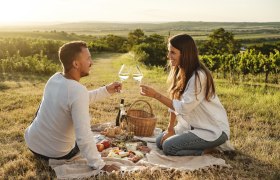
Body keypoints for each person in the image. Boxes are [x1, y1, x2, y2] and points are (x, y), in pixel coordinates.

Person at [24, 41, 121, 172]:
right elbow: (84, 135)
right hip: (55, 153)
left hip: (32, 143)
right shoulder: (77, 91)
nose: (91, 62)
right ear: (75, 64)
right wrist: (101, 165)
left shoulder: (54, 78)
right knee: (89, 139)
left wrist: (106, 90)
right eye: (88, 59)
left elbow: (77, 99)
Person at [140, 34, 230, 156]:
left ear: (185, 54)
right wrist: (170, 129)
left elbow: (183, 107)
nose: (168, 56)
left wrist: (156, 95)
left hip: (211, 130)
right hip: (190, 126)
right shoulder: (179, 71)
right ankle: (196, 145)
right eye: (168, 52)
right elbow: (174, 102)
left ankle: (208, 150)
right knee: (159, 142)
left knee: (168, 147)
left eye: (173, 53)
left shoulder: (199, 76)